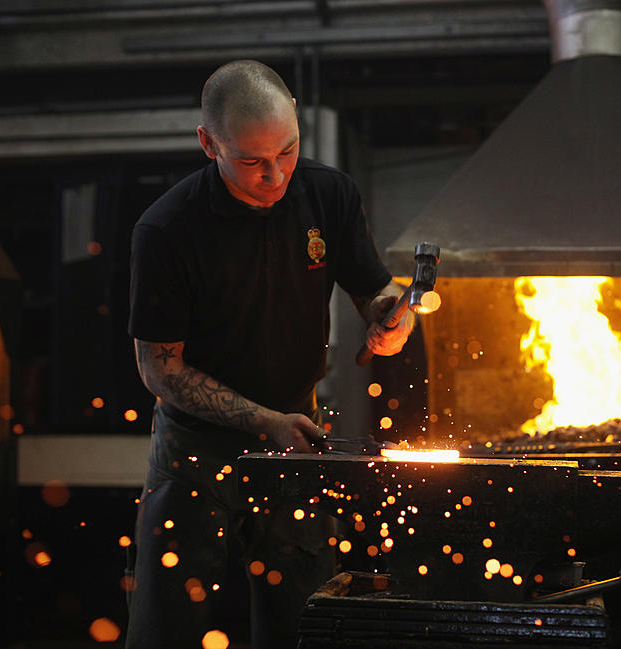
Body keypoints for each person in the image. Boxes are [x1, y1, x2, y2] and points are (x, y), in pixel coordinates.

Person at [125, 59, 414, 649]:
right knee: (168, 627)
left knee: (306, 621)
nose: (275, 175)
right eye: (253, 161)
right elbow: (160, 368)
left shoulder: (327, 194)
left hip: (298, 439)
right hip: (196, 452)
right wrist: (263, 421)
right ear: (209, 143)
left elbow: (371, 290)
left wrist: (391, 316)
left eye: (287, 151)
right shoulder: (168, 230)